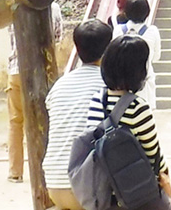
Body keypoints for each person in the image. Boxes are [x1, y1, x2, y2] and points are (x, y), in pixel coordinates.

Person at [86, 35, 171, 209]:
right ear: (138, 71)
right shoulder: (138, 107)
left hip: (103, 193)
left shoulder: (97, 100)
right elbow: (154, 156)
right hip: (134, 196)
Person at [43, 20, 113, 210]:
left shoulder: (59, 86)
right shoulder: (110, 86)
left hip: (54, 184)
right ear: (108, 49)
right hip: (88, 189)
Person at [7, 0, 62, 183]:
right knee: (45, 120)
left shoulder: (14, 5)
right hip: (43, 70)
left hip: (16, 69)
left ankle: (15, 171)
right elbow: (57, 36)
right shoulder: (52, 7)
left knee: (16, 122)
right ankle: (44, 170)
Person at [112, 0, 162, 108]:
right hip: (145, 85)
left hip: (122, 84)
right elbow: (156, 57)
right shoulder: (152, 31)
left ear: (126, 12)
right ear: (147, 12)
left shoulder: (118, 30)